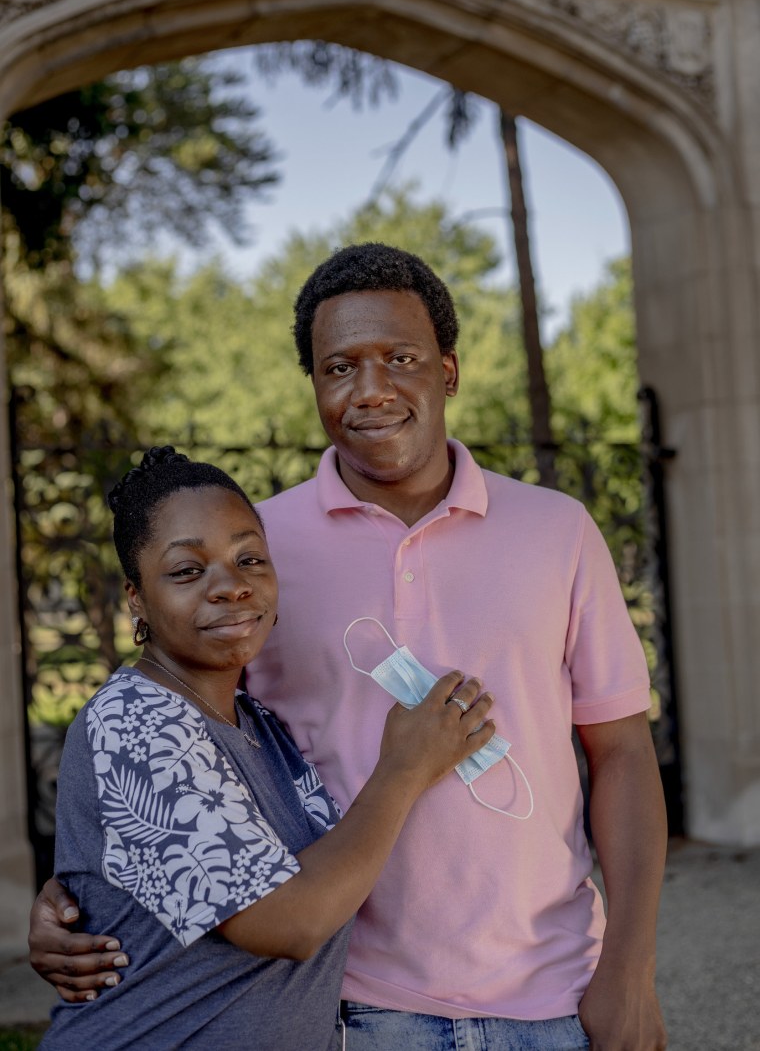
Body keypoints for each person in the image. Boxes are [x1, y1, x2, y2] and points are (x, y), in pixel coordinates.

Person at [30, 244, 668, 1050]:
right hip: (344, 1006)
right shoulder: (257, 549)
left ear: (449, 370)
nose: (370, 390)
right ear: (316, 385)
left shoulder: (558, 531)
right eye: (339, 367)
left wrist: (631, 967)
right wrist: (78, 893)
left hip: (552, 993)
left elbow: (623, 753)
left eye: (400, 359)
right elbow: (175, 747)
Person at [35, 444, 494, 1050]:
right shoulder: (134, 721)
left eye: (249, 558)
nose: (231, 586)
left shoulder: (258, 724)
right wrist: (405, 770)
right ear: (136, 599)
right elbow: (289, 922)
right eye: (186, 570)